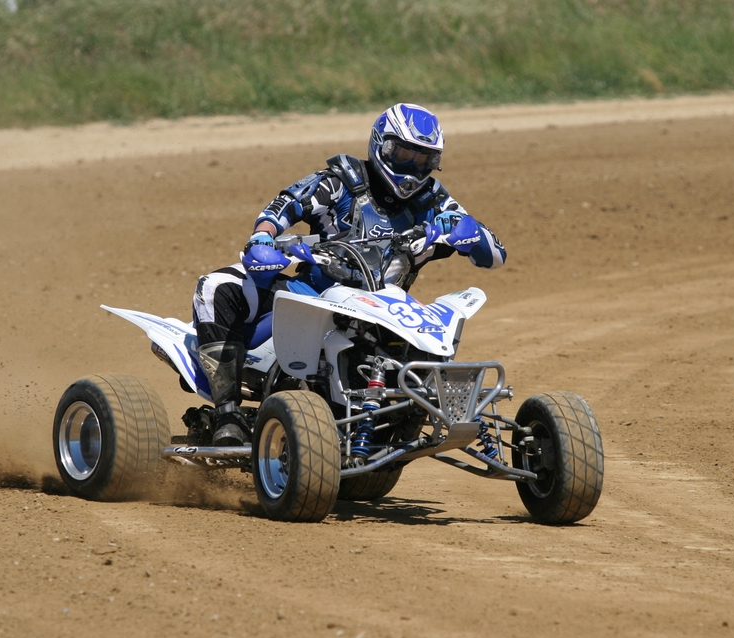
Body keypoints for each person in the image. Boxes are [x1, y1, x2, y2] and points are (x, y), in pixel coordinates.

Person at [192, 103, 507, 446]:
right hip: (312, 295)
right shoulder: (342, 181)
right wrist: (263, 237)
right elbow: (285, 205)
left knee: (439, 334)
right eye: (403, 154)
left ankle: (452, 412)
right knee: (215, 286)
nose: (412, 168)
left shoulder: (432, 199)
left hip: (386, 306)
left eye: (423, 160)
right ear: (381, 145)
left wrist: (468, 230)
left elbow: (495, 255)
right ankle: (228, 416)